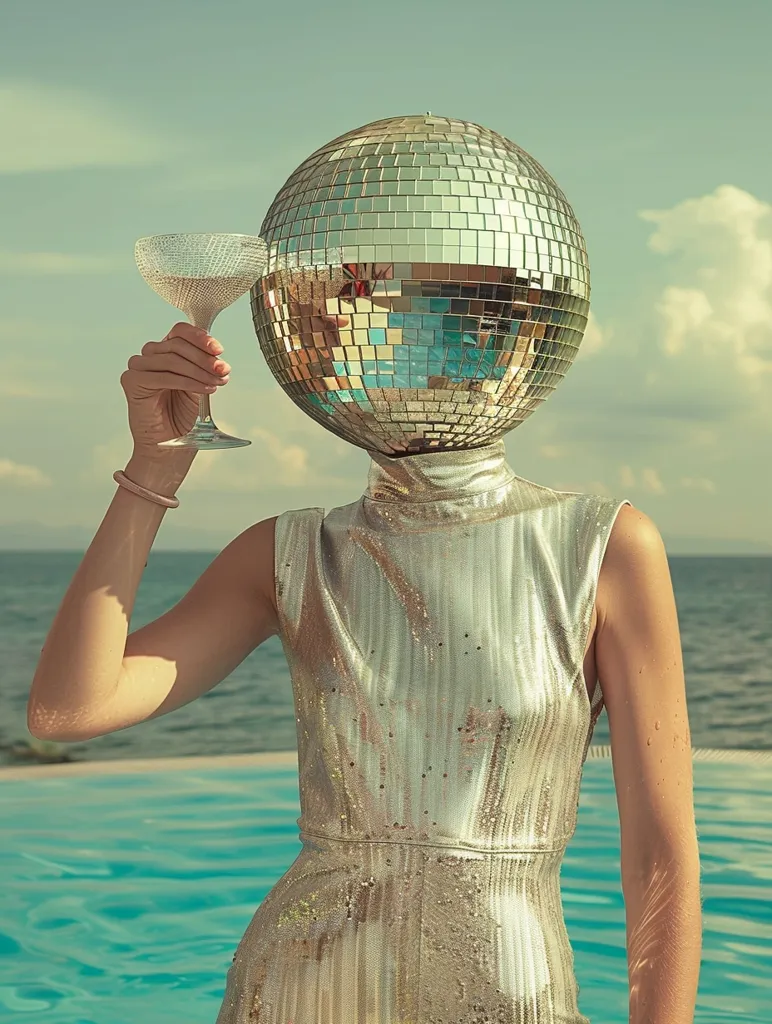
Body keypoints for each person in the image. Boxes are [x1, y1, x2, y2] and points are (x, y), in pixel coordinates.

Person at [28, 317, 702, 1023]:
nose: (417, 346)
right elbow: (71, 709)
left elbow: (661, 856)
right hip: (301, 989)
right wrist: (155, 465)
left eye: (454, 321)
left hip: (512, 989)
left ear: (518, 353)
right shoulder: (293, 551)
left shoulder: (601, 547)